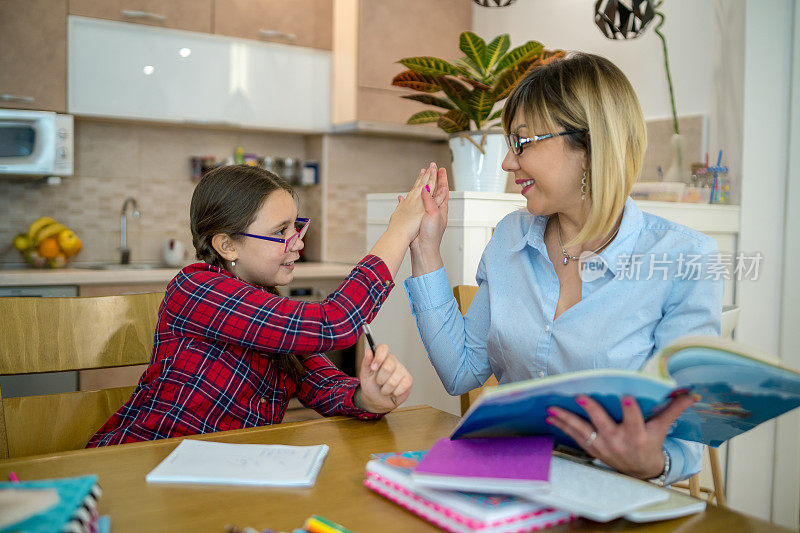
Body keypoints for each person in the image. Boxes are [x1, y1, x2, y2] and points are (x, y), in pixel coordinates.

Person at [404, 52, 722, 484]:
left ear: (589, 146)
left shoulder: (684, 259)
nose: (508, 162)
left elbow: (686, 441)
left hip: (615, 497)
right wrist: (426, 248)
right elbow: (460, 371)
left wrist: (654, 463)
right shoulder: (510, 238)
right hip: (512, 483)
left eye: (522, 143)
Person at [89, 163, 436, 446]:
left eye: (296, 227)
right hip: (144, 461)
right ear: (227, 245)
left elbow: (322, 383)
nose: (297, 244)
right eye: (280, 232)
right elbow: (334, 322)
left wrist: (366, 398)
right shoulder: (196, 288)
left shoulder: (268, 304)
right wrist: (398, 231)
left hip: (224, 474)